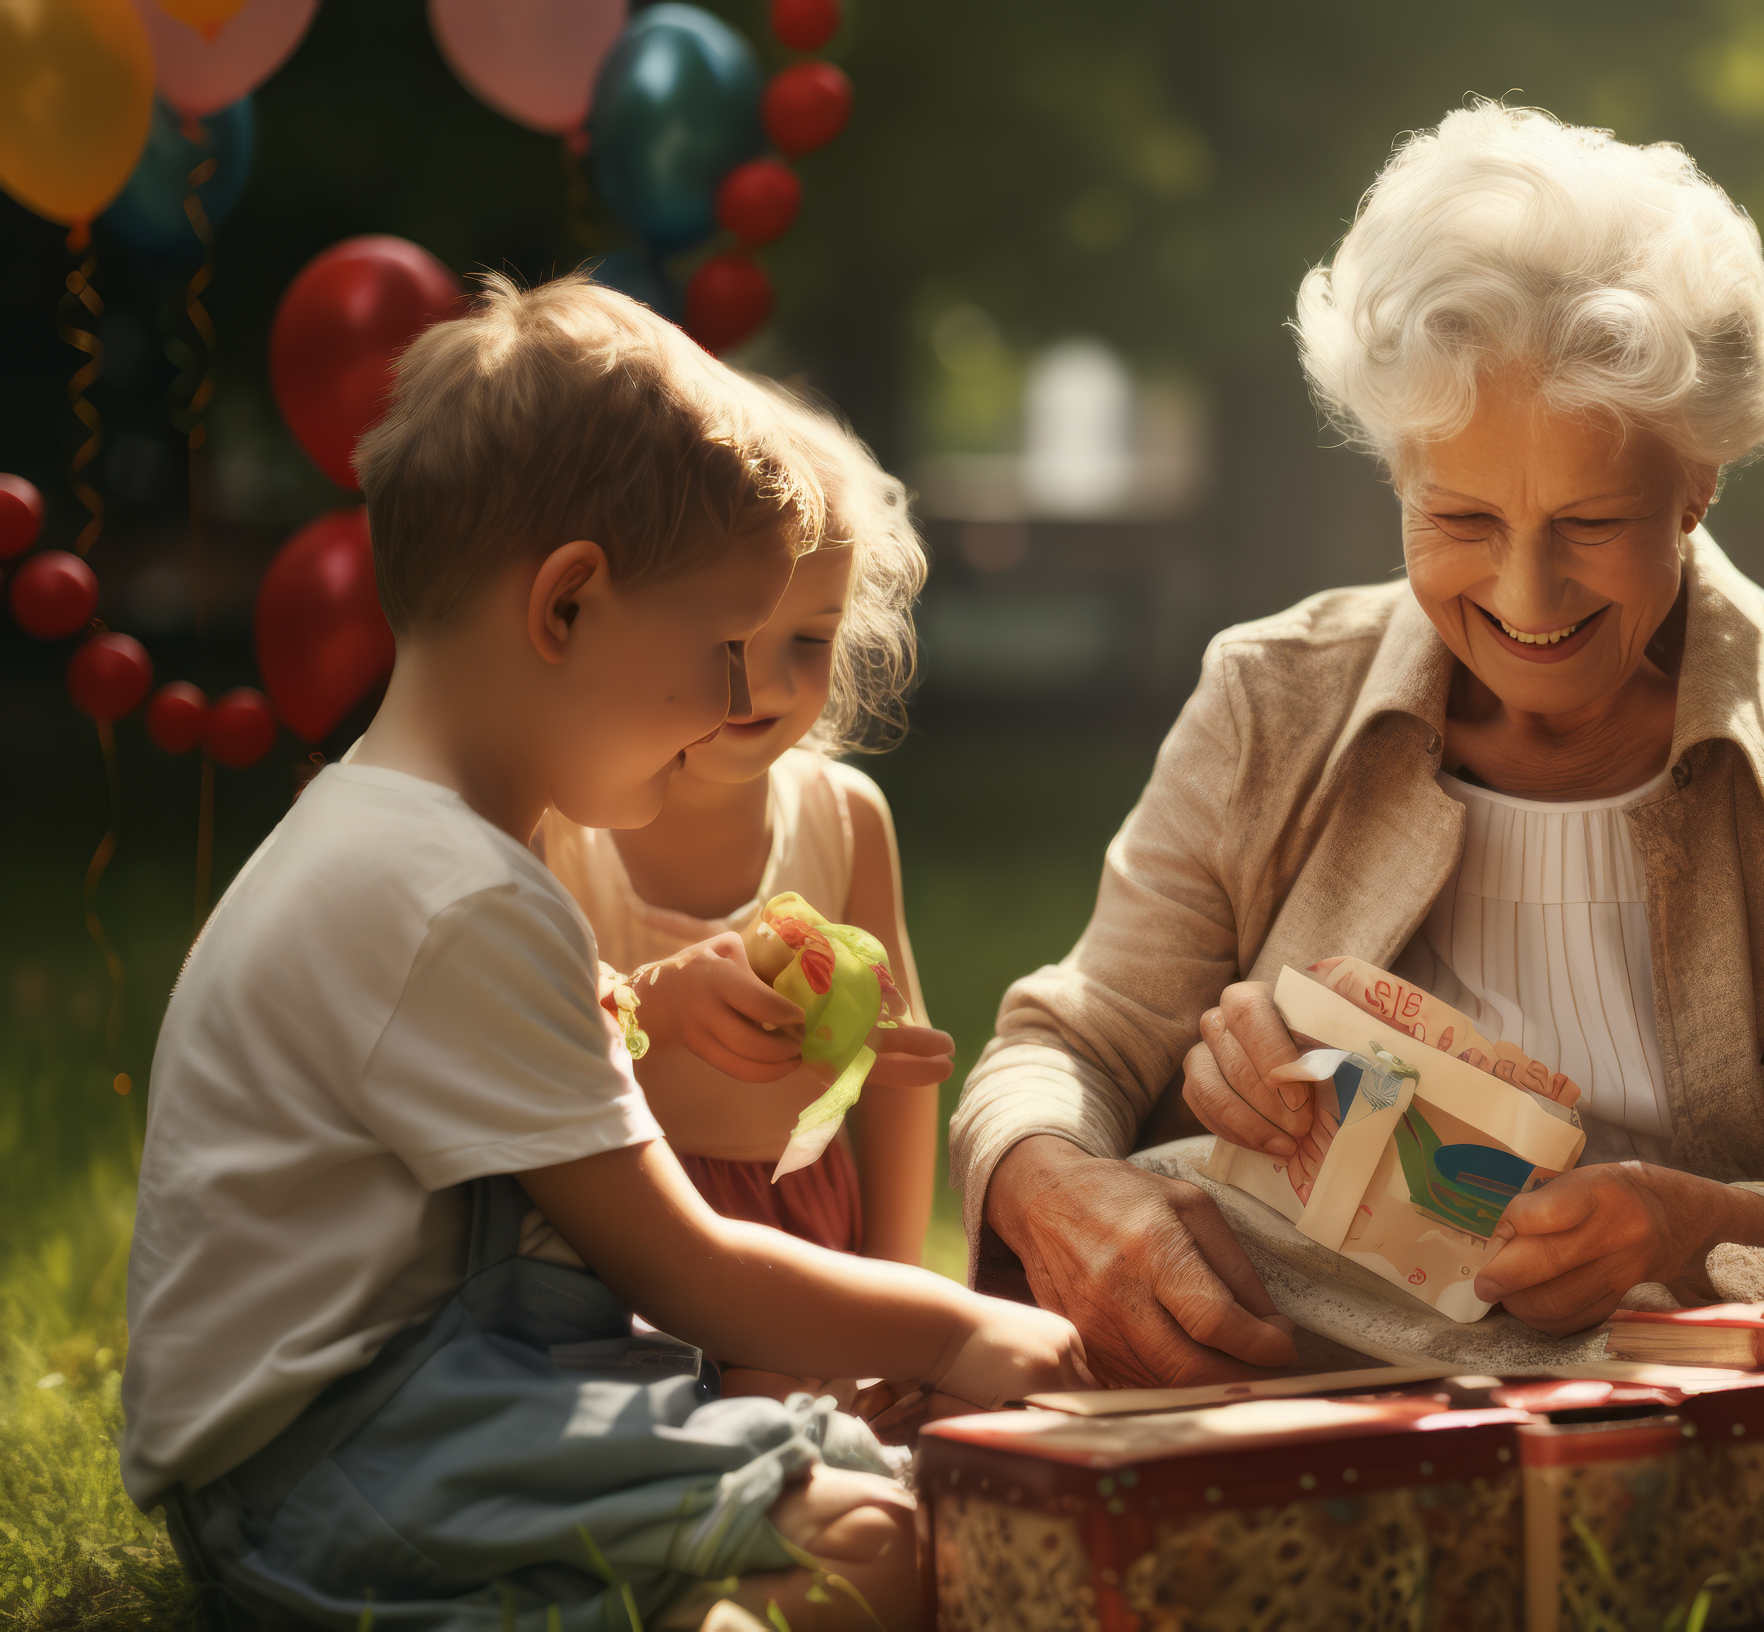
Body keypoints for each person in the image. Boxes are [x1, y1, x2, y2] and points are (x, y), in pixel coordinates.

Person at [121, 274, 1089, 1632]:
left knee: (849, 1506)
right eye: (722, 651)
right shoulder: (459, 892)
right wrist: (951, 1325)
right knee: (881, 1539)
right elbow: (681, 1270)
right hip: (342, 1460)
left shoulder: (397, 842)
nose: (746, 707)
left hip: (376, 1432)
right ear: (567, 607)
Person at [956, 102, 1764, 1382]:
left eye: (1593, 523)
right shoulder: (1269, 697)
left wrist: (1703, 1219)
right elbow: (1070, 1043)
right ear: (1395, 474)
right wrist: (1056, 1188)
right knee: (1164, 1240)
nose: (1526, 598)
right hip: (1310, 1318)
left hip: (1684, 1348)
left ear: (1697, 483)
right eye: (1461, 518)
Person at [537, 392, 948, 1409]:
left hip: (801, 1214)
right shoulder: (566, 821)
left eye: (808, 642)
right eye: (731, 639)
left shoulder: (845, 817)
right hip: (623, 1227)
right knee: (735, 1414)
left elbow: (894, 1083)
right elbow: (532, 1045)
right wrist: (659, 1008)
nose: (762, 685)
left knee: (850, 1409)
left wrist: (891, 1299)